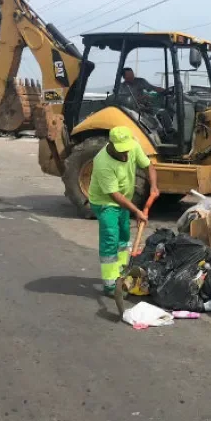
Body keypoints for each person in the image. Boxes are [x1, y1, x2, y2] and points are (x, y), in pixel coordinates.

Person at [87, 126, 159, 296]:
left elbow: (149, 166)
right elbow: (114, 195)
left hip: (124, 200)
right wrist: (137, 211)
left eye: (127, 150)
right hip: (105, 203)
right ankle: (111, 283)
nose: (126, 155)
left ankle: (122, 272)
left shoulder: (132, 146)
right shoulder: (102, 162)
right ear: (111, 145)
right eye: (122, 152)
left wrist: (154, 186)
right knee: (111, 238)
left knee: (124, 236)